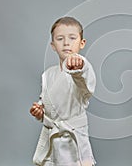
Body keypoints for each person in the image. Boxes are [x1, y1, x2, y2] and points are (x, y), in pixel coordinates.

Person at [30, 17, 96, 166]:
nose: (66, 43)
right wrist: (40, 110)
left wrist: (79, 69)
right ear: (53, 45)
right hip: (52, 138)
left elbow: (86, 86)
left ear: (82, 43)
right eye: (60, 39)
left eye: (72, 38)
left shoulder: (83, 68)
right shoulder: (47, 74)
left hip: (73, 140)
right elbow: (48, 101)